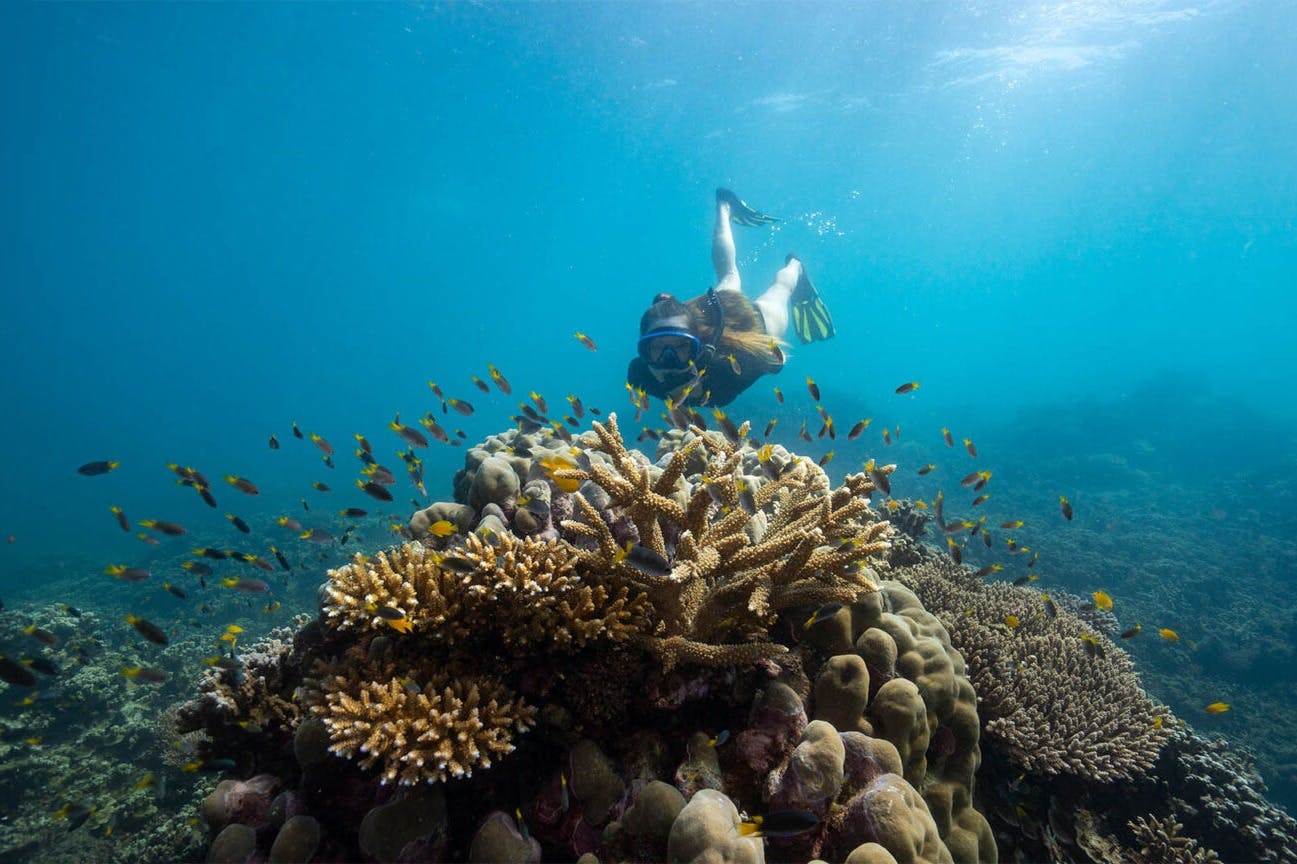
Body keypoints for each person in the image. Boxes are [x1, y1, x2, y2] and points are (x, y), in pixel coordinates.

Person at [627, 188, 835, 408]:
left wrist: (770, 358)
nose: (668, 362)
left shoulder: (736, 363)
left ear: (698, 346)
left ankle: (796, 266)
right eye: (657, 348)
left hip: (754, 323)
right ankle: (724, 206)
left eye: (681, 347)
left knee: (781, 289)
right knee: (729, 275)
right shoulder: (639, 375)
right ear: (643, 351)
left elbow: (776, 360)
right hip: (714, 307)